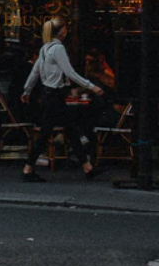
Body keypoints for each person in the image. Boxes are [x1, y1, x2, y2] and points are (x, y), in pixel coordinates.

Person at [20, 17, 104, 183]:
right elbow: (70, 72)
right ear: (61, 31)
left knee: (69, 130)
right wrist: (91, 86)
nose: (67, 31)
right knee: (47, 133)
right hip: (56, 96)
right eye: (65, 28)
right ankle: (28, 168)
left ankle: (87, 167)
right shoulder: (58, 49)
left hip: (48, 95)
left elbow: (35, 72)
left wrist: (27, 90)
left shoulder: (45, 48)